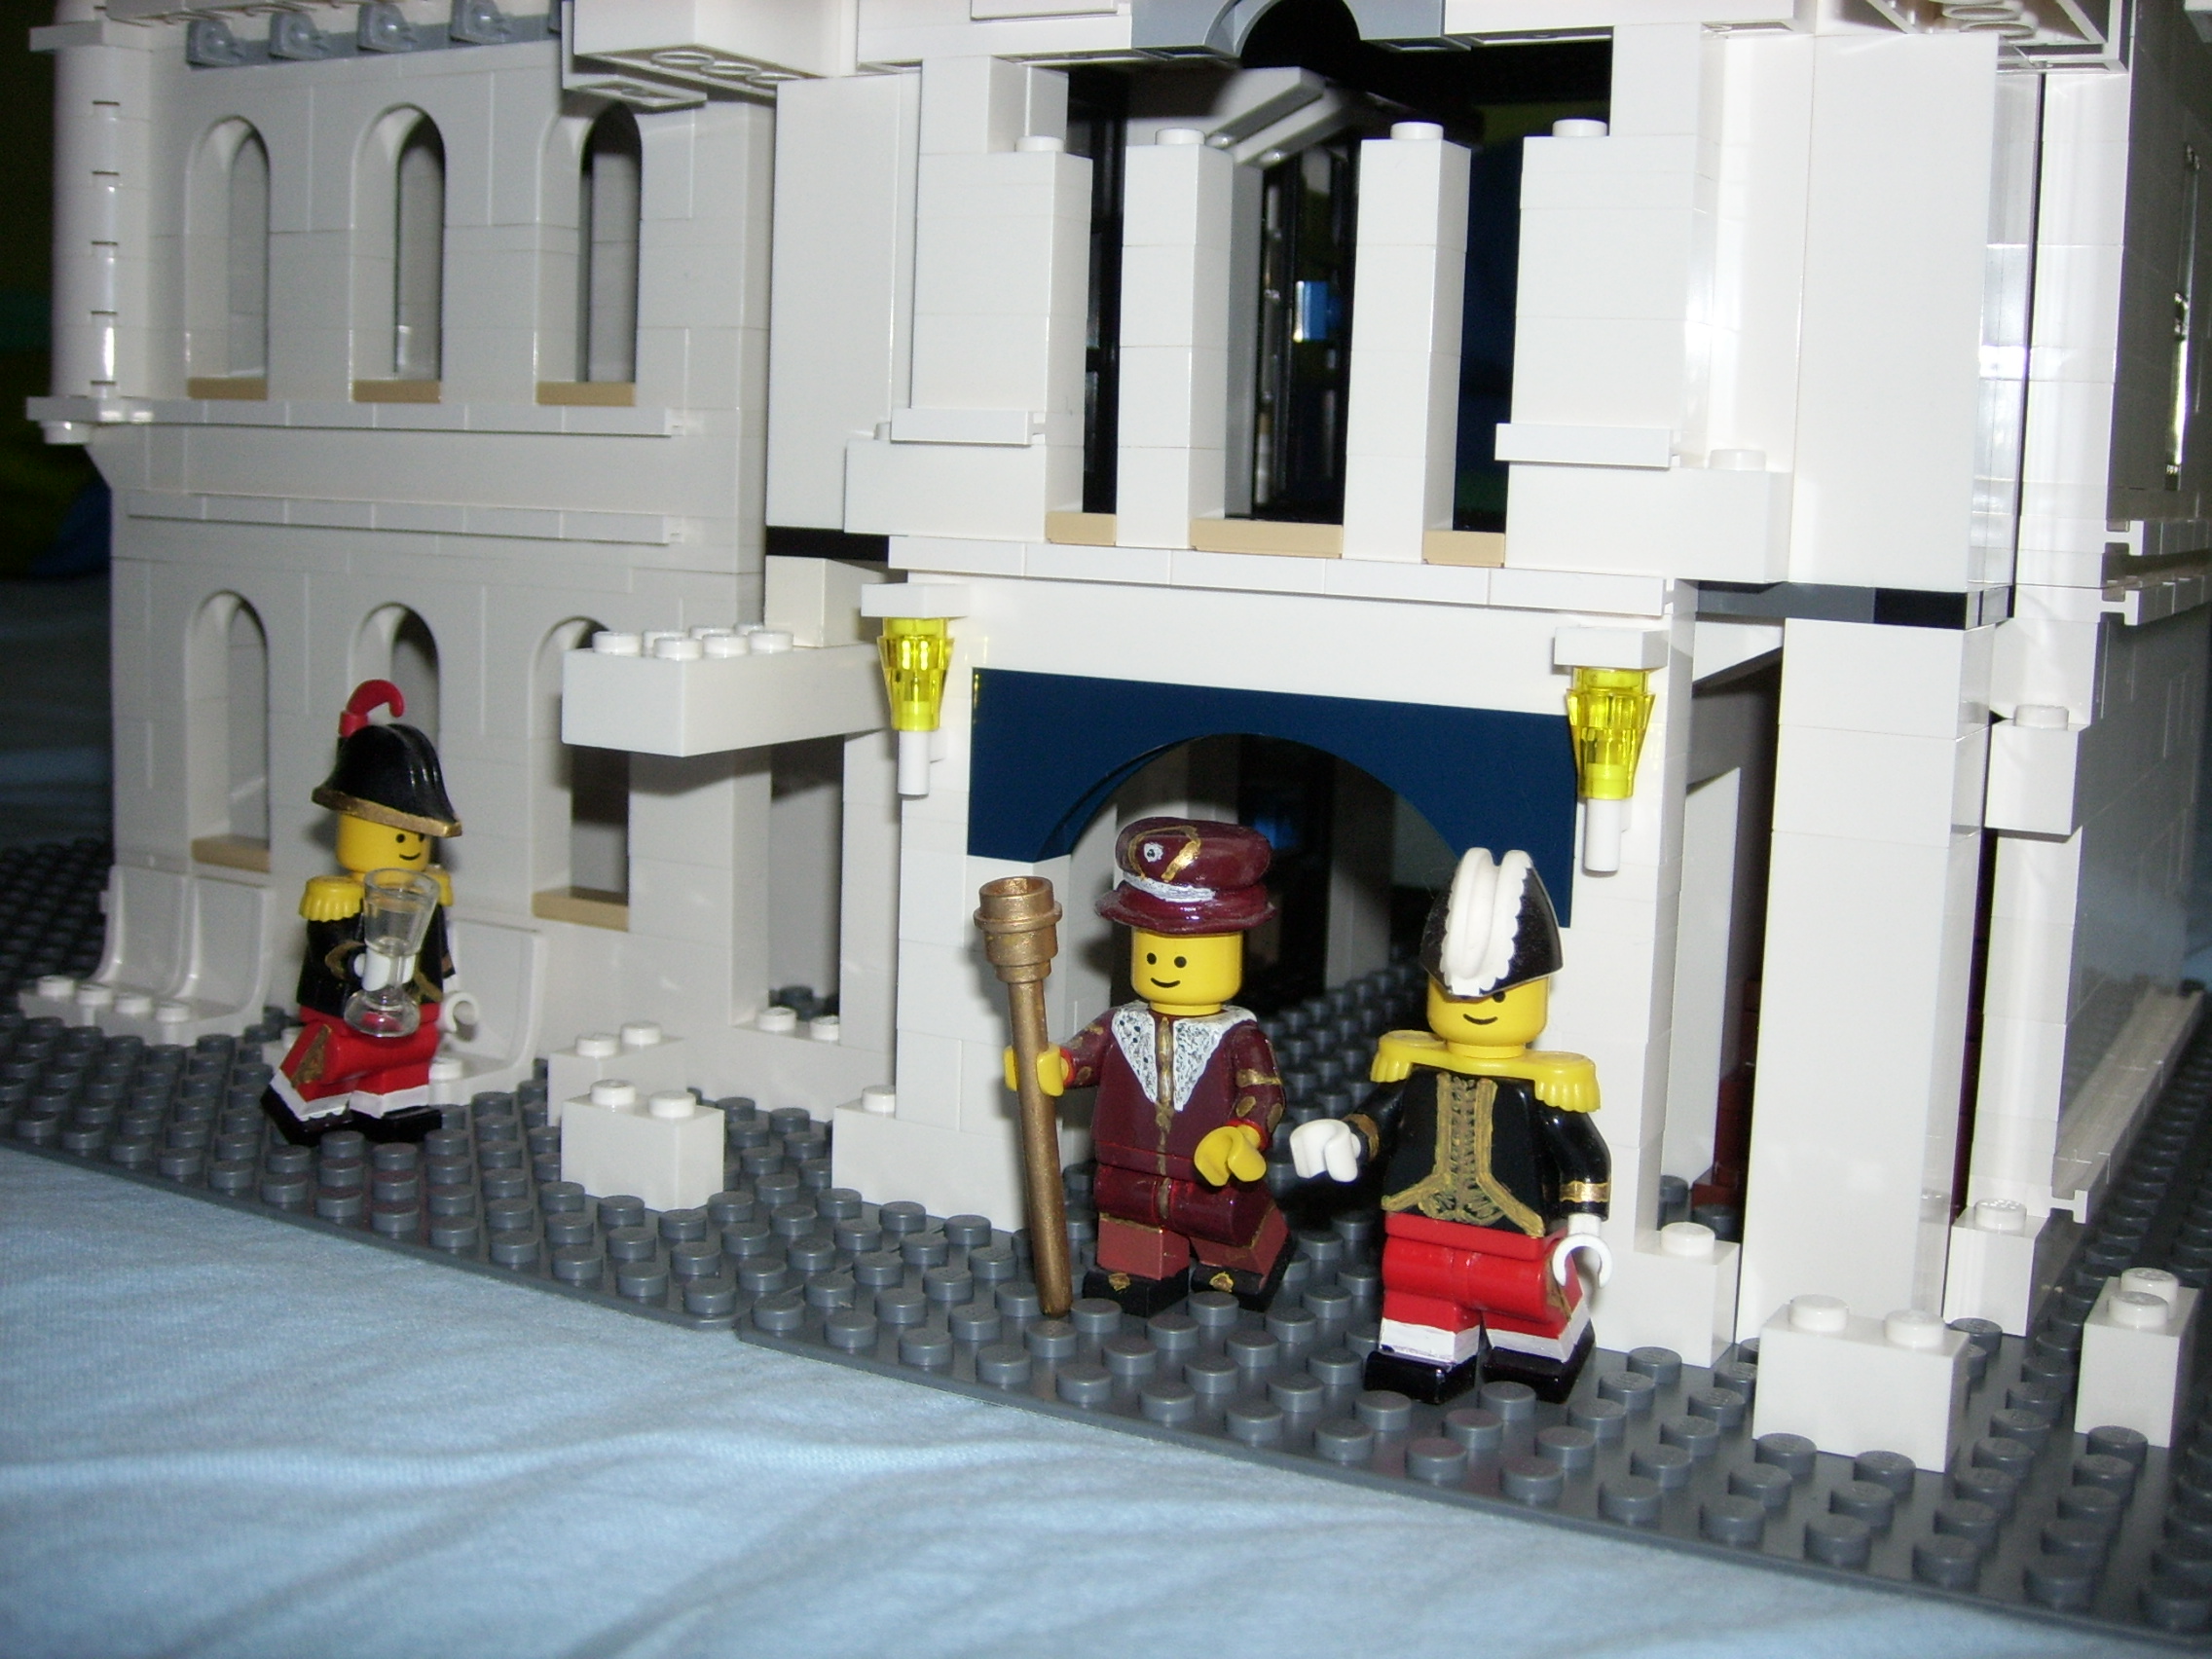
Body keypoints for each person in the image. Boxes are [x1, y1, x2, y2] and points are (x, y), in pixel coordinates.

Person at [1292, 848, 1610, 1402]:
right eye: (1451, 992)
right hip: (1420, 1223)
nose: (1474, 1007)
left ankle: (1538, 1356)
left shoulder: (1545, 1085)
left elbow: (1579, 1151)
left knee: (1526, 1299)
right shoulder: (1414, 1068)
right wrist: (1346, 1136)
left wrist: (1585, 1223)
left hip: (1516, 1228)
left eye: (1500, 994)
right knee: (1419, 1292)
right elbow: (1379, 1118)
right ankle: (1422, 1355)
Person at [1008, 818, 1291, 1313]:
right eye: (1153, 952)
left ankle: (1243, 1263)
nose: (1164, 967)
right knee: (1127, 1212)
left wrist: (1244, 1133)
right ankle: (1137, 1272)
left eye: (1181, 957)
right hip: (1127, 1159)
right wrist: (1054, 1066)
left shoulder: (1238, 1036)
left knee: (1224, 1214)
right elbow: (1084, 1057)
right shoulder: (1121, 1023)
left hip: (1207, 1163)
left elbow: (1264, 1092)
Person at [264, 680, 474, 1144]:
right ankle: (304, 1106)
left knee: (411, 1053)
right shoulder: (336, 897)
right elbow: (331, 948)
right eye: (400, 834)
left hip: (414, 1008)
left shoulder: (426, 892)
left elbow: (438, 951)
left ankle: (391, 1107)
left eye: (418, 835)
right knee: (338, 1053)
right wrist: (364, 965)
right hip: (347, 1010)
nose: (411, 846)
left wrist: (452, 989)